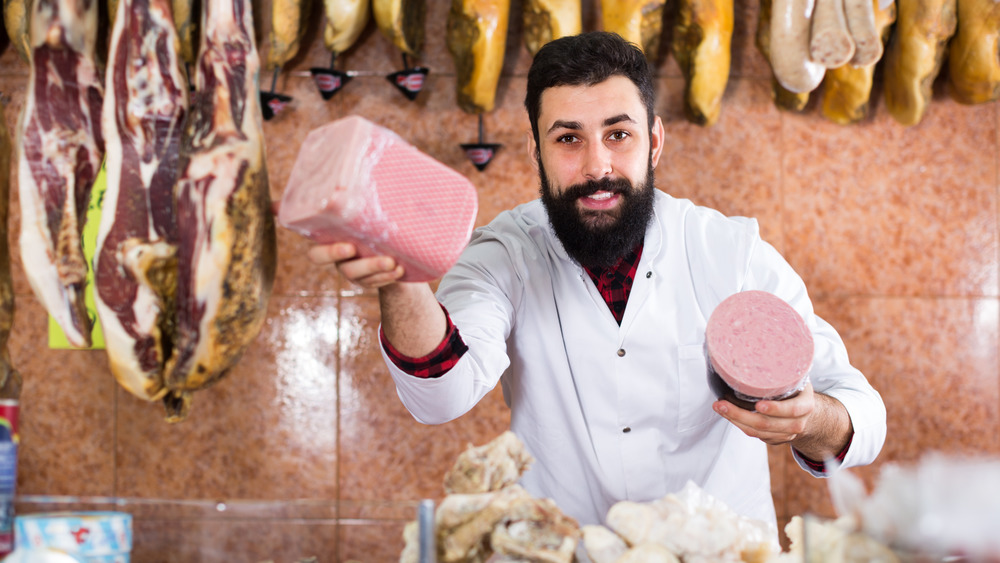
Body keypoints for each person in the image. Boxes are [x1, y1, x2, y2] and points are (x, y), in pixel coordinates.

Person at [307, 31, 887, 533]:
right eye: (568, 139)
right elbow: (442, 394)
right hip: (561, 551)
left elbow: (862, 416)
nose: (596, 166)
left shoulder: (728, 251)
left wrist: (809, 419)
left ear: (654, 140)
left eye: (618, 134)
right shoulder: (504, 252)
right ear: (536, 149)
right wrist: (402, 280)